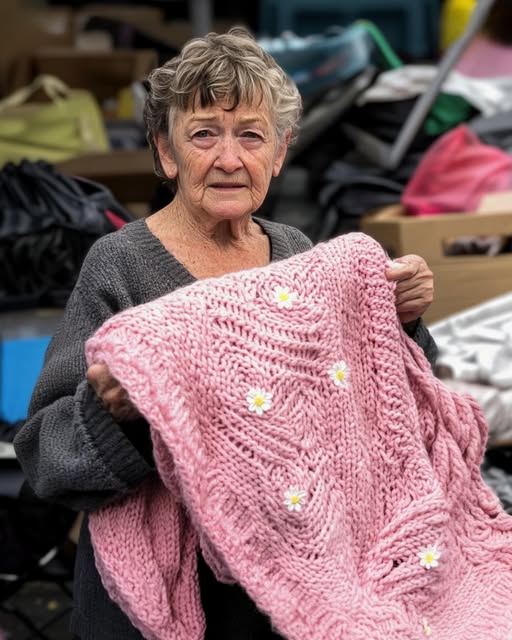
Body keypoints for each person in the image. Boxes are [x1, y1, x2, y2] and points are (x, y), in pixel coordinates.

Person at [13, 27, 436, 640]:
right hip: (163, 600)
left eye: (252, 136)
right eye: (204, 134)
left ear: (281, 153)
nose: (230, 158)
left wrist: (399, 321)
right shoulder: (121, 264)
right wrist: (116, 413)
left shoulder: (297, 256)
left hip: (291, 587)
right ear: (166, 152)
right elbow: (45, 456)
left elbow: (376, 405)